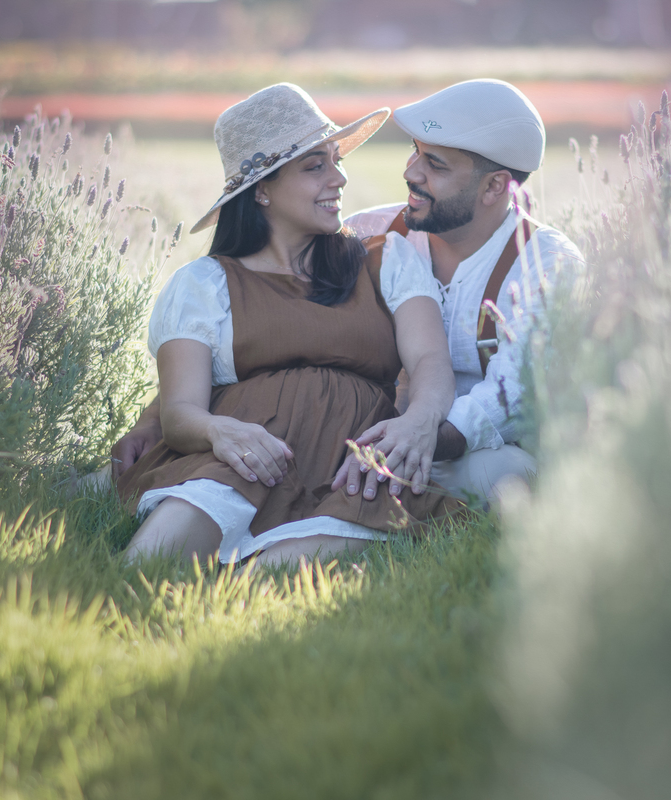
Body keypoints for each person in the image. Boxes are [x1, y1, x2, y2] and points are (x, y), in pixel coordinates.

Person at [113, 79, 584, 512]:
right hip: (370, 441)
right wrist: (156, 419)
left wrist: (415, 435)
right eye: (415, 152)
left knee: (507, 477)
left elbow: (511, 397)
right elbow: (226, 320)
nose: (411, 173)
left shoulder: (546, 264)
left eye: (434, 165)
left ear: (495, 186)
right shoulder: (371, 233)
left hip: (465, 446)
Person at [116, 83, 461, 567]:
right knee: (146, 564)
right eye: (315, 166)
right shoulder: (203, 285)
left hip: (352, 471)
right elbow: (179, 413)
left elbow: (429, 359)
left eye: (335, 160)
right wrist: (219, 432)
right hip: (243, 461)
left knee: (266, 581)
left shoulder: (385, 260)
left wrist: (419, 422)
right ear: (261, 190)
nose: (339, 178)